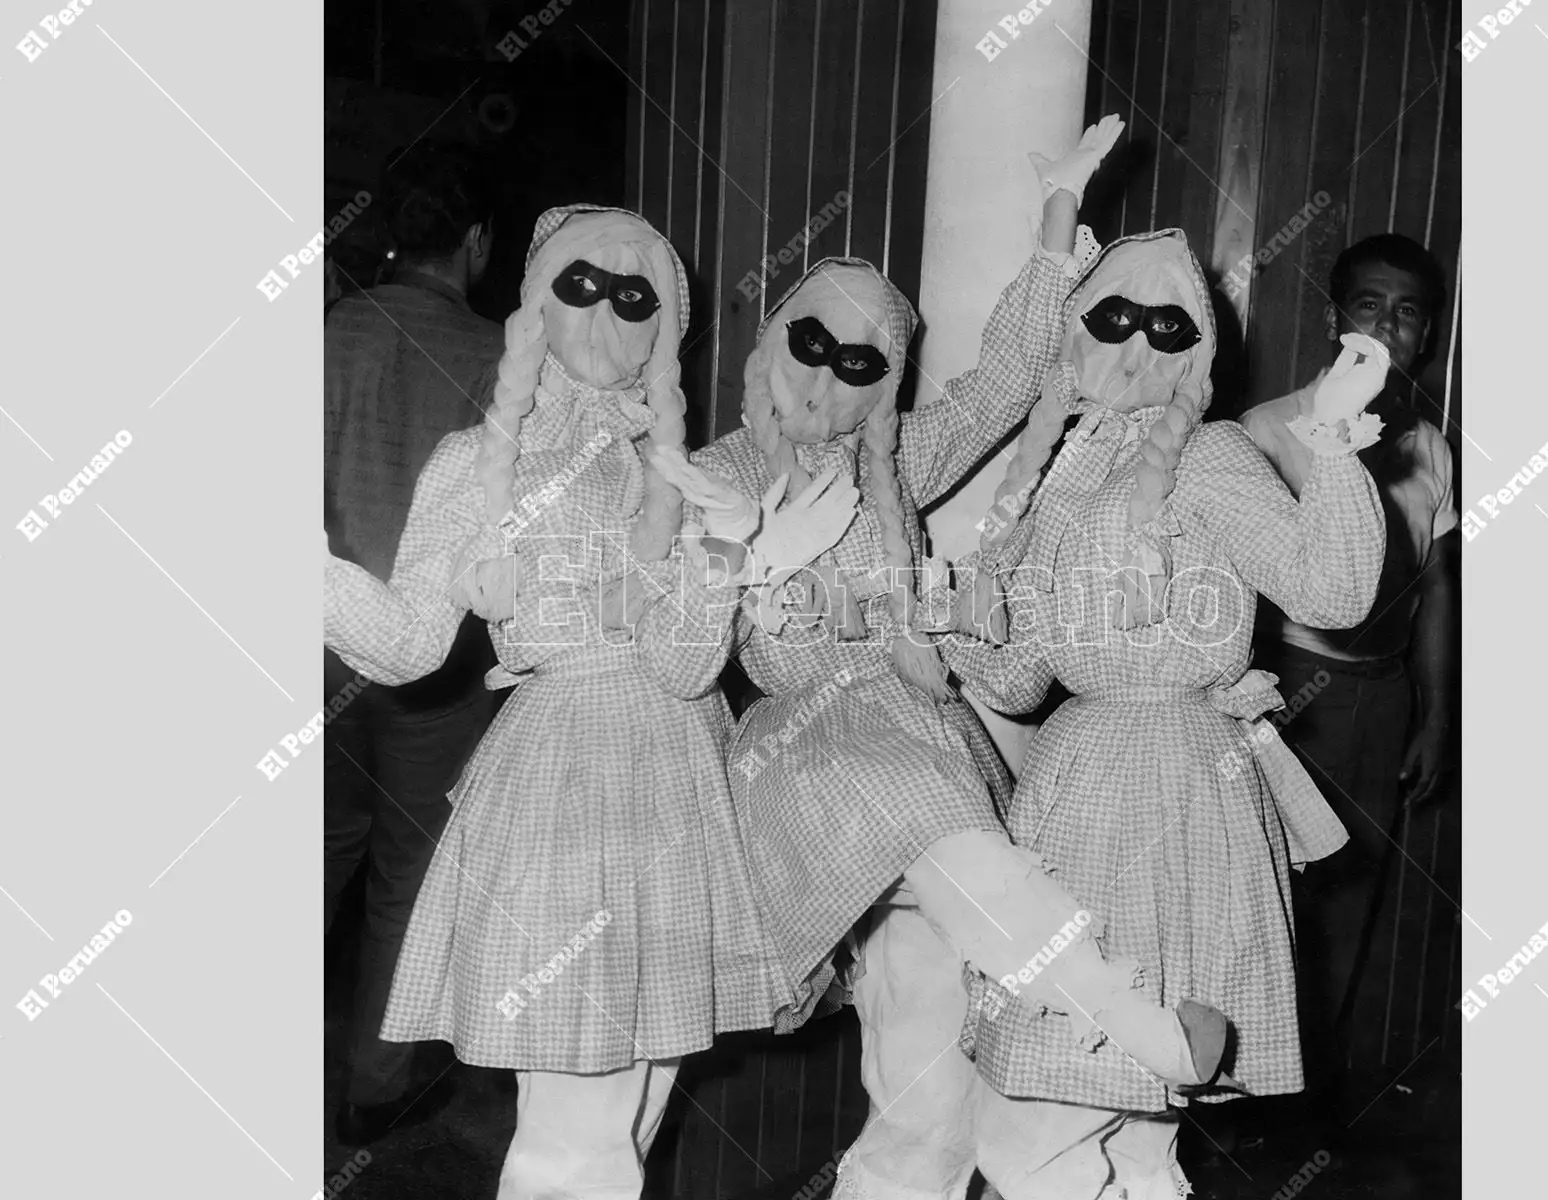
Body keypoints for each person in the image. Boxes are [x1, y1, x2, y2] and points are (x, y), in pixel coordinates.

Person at [654, 117, 1237, 1200]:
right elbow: (671, 633)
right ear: (769, 342)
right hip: (818, 761)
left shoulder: (891, 463)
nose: (826, 380)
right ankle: (1133, 1019)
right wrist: (745, 562)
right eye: (810, 344)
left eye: (859, 364)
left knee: (930, 1083)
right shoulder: (715, 474)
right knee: (958, 851)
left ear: (883, 385)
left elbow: (1004, 383)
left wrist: (1058, 221)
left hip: (924, 734)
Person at [324, 205, 856, 1199]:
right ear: (536, 300)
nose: (607, 311)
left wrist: (735, 559)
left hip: (687, 784)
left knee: (632, 1116)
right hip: (567, 782)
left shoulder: (681, 474)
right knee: (579, 1133)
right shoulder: (479, 463)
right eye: (580, 285)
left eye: (634, 296)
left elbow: (687, 667)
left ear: (666, 323)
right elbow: (406, 642)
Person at [942, 229, 1392, 1199]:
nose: (1137, 343)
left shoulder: (1212, 453)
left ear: (1198, 348)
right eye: (1113, 318)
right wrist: (948, 619)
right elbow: (1019, 681)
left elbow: (1332, 589)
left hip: (1177, 790)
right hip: (1072, 783)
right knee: (1113, 1125)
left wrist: (1336, 442)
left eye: (1166, 325)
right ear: (1076, 329)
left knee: (1053, 1125)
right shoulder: (1060, 473)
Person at [1238, 232, 1454, 1110]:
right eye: (1369, 305)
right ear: (1336, 320)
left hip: (1383, 697)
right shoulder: (1266, 431)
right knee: (1268, 898)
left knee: (1347, 905)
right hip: (1291, 693)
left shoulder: (1430, 446)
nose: (1387, 326)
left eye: (1407, 313)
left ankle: (1304, 1107)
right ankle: (1242, 1101)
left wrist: (1434, 715)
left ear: (1425, 335)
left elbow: (1436, 589)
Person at [322, 142, 505, 1146]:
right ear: (476, 241)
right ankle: (375, 1085)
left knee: (312, 853)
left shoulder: (332, 335)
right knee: (407, 875)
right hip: (440, 667)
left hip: (322, 643)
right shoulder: (499, 359)